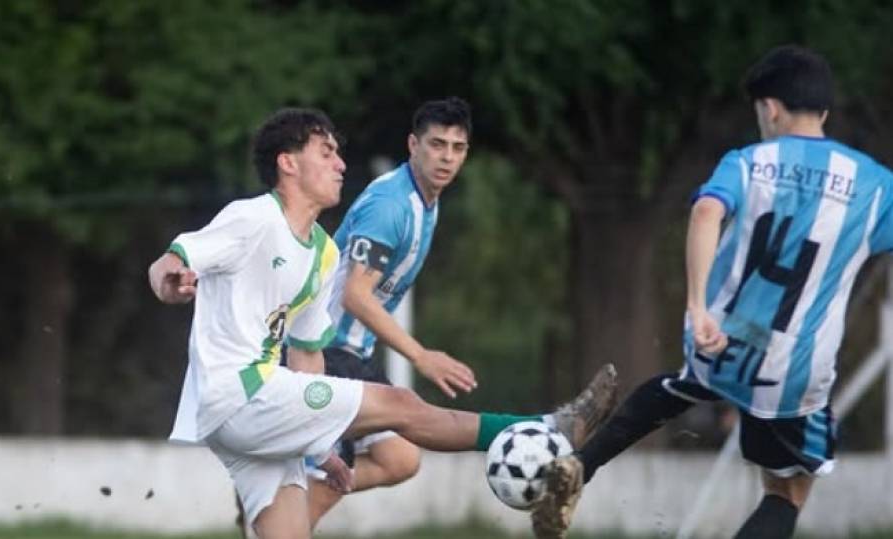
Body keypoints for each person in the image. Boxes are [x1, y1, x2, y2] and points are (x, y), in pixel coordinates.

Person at [148, 107, 619, 539]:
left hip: (257, 408)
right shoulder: (253, 218)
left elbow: (307, 353)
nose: (340, 165)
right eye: (326, 152)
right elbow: (171, 260)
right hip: (242, 395)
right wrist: (172, 281)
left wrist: (318, 450)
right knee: (402, 405)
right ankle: (549, 429)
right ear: (287, 163)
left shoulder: (323, 252)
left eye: (339, 154)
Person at [543, 45, 893, 538]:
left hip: (723, 330)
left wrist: (697, 305)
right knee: (786, 493)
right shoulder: (875, 184)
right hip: (795, 363)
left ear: (770, 107)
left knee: (688, 382)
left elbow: (707, 211)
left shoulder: (750, 161)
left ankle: (585, 462)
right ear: (825, 111)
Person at [301, 96, 477, 528]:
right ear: (413, 145)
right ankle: (281, 509)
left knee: (399, 459)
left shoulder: (426, 202)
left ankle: (280, 496)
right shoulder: (392, 206)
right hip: (327, 350)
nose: (446, 157)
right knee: (323, 486)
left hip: (353, 352)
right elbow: (356, 296)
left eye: (456, 148)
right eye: (437, 145)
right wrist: (420, 356)